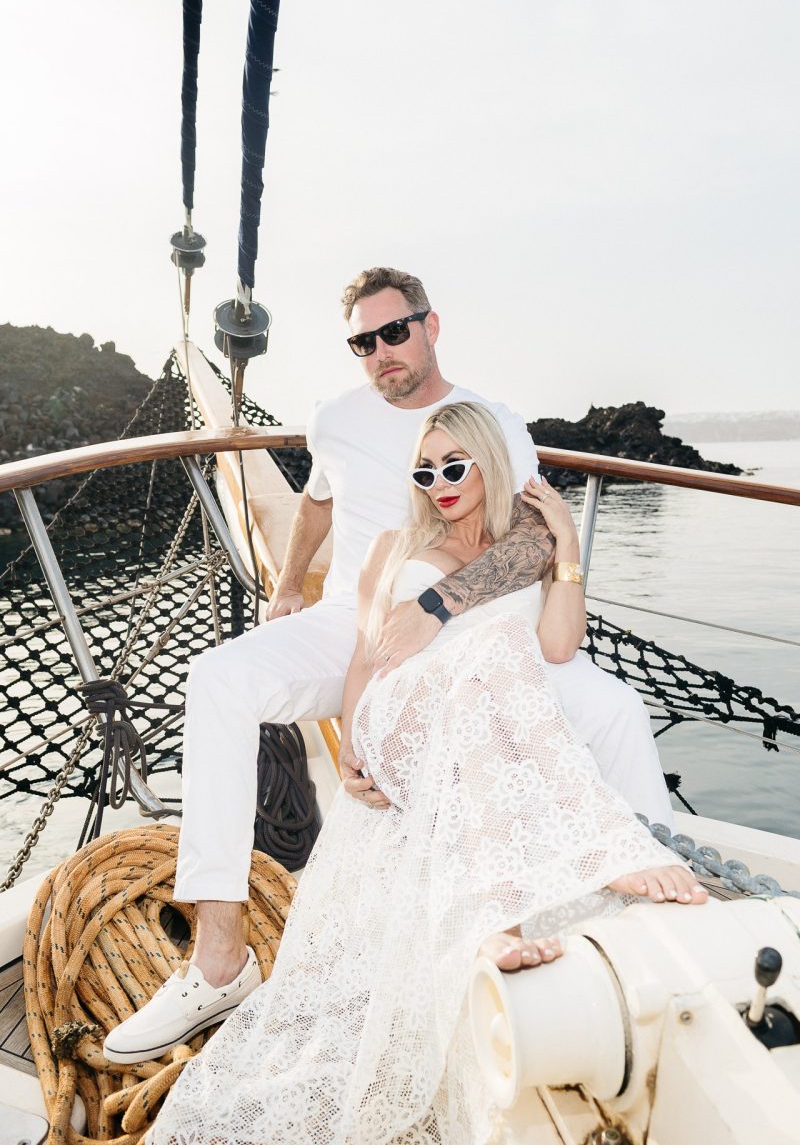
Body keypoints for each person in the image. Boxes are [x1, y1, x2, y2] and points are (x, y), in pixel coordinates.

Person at [104, 267, 674, 1066]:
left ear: (431, 326)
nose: (381, 353)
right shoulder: (334, 418)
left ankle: (657, 894)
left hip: (471, 624)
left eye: (394, 332)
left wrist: (437, 606)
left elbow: (536, 535)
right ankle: (219, 960)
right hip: (355, 615)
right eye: (362, 342)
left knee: (613, 707)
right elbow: (316, 498)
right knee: (219, 679)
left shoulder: (489, 422)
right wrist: (282, 591)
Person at [148, 402, 705, 1145]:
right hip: (401, 710)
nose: (439, 483)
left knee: (502, 662)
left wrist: (567, 540)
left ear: (486, 464)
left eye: (454, 466)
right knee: (492, 661)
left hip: (477, 711)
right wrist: (351, 743)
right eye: (425, 470)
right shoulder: (394, 544)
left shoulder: (522, 545)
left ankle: (564, 875)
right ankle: (516, 905)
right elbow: (362, 657)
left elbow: (561, 644)